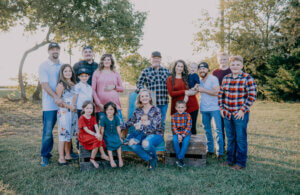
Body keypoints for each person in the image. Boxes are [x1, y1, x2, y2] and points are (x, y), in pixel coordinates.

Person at [219, 56, 257, 170]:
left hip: (239, 114)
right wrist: (221, 108)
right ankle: (230, 160)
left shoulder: (247, 78)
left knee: (240, 138)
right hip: (227, 113)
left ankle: (240, 163)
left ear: (242, 66)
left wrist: (242, 110)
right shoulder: (226, 78)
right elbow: (221, 94)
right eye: (233, 65)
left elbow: (252, 95)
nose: (235, 67)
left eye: (237, 64)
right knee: (230, 138)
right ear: (230, 66)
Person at [122, 89, 163, 170]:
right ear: (140, 98)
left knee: (145, 143)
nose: (145, 98)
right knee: (131, 143)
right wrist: (120, 127)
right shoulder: (138, 111)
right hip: (141, 135)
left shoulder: (156, 110)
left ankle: (154, 158)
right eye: (142, 96)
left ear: (150, 98)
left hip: (155, 135)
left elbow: (154, 127)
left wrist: (140, 127)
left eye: (146, 96)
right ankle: (150, 158)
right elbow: (130, 122)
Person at [38, 42, 63, 167]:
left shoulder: (63, 65)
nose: (55, 51)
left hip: (63, 104)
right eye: (52, 49)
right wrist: (56, 97)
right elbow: (45, 85)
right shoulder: (44, 66)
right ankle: (45, 155)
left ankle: (67, 153)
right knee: (48, 131)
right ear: (48, 51)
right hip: (49, 105)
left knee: (65, 129)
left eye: (57, 49)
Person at [136, 51, 170, 131]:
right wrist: (143, 92)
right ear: (150, 60)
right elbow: (139, 84)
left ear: (160, 59)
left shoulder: (167, 71)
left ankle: (160, 142)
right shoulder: (145, 71)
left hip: (163, 102)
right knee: (150, 122)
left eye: (158, 58)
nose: (156, 60)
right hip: (151, 103)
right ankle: (150, 140)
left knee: (161, 123)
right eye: (154, 58)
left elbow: (173, 84)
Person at [197, 62, 224, 158]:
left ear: (207, 69)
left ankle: (220, 153)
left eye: (204, 68)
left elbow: (216, 92)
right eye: (200, 69)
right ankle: (210, 150)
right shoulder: (199, 80)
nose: (202, 70)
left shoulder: (213, 78)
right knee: (207, 130)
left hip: (214, 108)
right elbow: (196, 92)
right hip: (203, 108)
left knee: (218, 130)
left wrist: (203, 90)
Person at [167, 60, 199, 134]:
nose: (180, 68)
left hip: (192, 106)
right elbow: (171, 93)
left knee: (191, 129)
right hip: (178, 107)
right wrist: (184, 91)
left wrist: (194, 90)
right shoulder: (170, 79)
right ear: (175, 67)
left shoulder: (187, 77)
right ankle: (179, 145)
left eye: (182, 66)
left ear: (184, 68)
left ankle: (192, 145)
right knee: (177, 130)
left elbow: (196, 87)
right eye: (178, 66)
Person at [55, 64, 79, 165]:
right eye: (66, 71)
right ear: (62, 73)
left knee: (69, 135)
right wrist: (69, 107)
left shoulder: (73, 83)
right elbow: (57, 101)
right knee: (63, 135)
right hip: (64, 112)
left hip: (73, 112)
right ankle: (61, 158)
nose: (68, 73)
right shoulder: (61, 85)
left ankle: (68, 155)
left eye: (70, 71)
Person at [92, 54, 124, 125]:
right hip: (102, 105)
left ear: (111, 62)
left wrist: (114, 87)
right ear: (102, 61)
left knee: (120, 125)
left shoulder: (116, 73)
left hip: (114, 104)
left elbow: (122, 89)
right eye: (104, 59)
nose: (106, 61)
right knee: (104, 126)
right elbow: (93, 90)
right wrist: (99, 104)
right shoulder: (97, 73)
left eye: (108, 59)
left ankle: (118, 136)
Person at [78, 101, 109, 168]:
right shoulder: (82, 118)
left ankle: (101, 155)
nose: (89, 110)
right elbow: (86, 130)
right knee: (97, 139)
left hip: (91, 134)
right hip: (84, 135)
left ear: (93, 109)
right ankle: (94, 158)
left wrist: (98, 133)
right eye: (87, 108)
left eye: (91, 108)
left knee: (99, 138)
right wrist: (96, 134)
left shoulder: (93, 117)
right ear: (83, 109)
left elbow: (96, 126)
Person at [212, 52, 231, 150]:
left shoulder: (231, 70)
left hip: (230, 101)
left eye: (224, 59)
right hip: (217, 101)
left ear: (228, 60)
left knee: (230, 125)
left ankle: (231, 147)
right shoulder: (215, 72)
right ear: (218, 60)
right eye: (221, 59)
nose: (223, 61)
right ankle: (221, 146)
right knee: (220, 125)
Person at [100, 102, 123, 168]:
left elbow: (118, 128)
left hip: (115, 134)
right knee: (109, 142)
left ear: (114, 110)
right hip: (107, 135)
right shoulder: (104, 119)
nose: (109, 111)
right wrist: (101, 137)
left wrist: (120, 137)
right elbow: (102, 129)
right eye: (107, 110)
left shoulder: (116, 118)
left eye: (111, 109)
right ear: (105, 111)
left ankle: (120, 159)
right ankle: (111, 160)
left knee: (118, 142)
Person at [171, 100, 192, 167]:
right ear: (176, 108)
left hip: (186, 133)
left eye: (182, 107)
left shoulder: (188, 115)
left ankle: (180, 158)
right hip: (176, 132)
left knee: (185, 142)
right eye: (179, 107)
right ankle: (181, 160)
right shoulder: (174, 116)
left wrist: (182, 135)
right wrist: (178, 135)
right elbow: (173, 127)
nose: (180, 109)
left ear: (185, 108)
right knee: (175, 141)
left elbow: (189, 127)